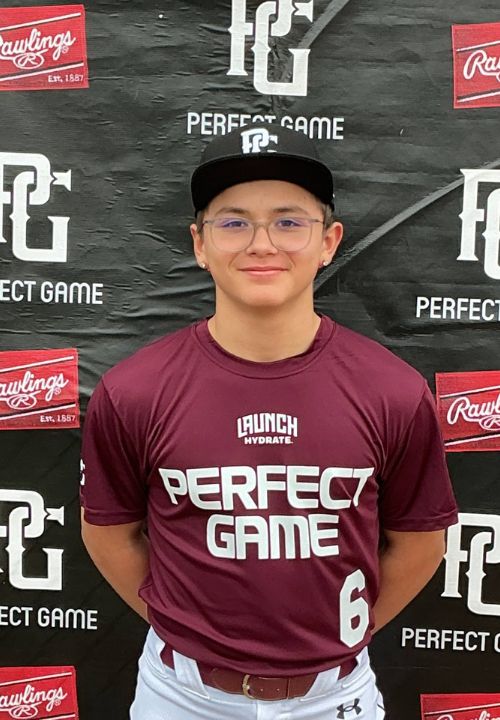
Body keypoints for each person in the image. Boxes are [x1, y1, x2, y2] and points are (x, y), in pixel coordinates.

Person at [80, 123, 458, 720]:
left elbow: (419, 542)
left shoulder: (392, 390)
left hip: (335, 695)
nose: (261, 244)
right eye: (233, 223)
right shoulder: (135, 390)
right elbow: (109, 533)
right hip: (180, 696)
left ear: (328, 241)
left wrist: (339, 638)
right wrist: (184, 626)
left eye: (288, 222)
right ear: (200, 244)